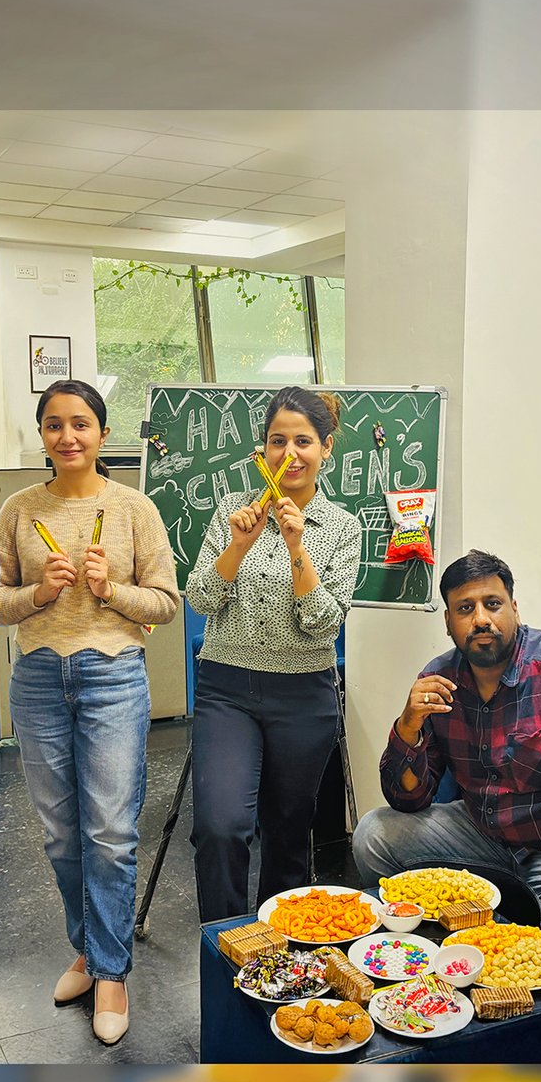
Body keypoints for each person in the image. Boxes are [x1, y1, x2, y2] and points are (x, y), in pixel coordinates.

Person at [0, 380, 178, 1045]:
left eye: (80, 424)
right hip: (39, 676)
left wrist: (112, 590)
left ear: (102, 434)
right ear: (41, 435)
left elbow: (165, 603)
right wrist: (38, 594)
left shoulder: (134, 509)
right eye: (53, 424)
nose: (67, 436)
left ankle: (110, 973)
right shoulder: (19, 509)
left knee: (108, 832)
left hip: (112, 676)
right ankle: (89, 948)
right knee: (61, 835)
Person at [353, 550, 541, 986]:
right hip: (479, 833)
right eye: (464, 608)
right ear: (448, 622)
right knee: (373, 835)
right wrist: (408, 725)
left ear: (513, 607)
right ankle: (425, 945)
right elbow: (409, 798)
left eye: (492, 604)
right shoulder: (439, 679)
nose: (480, 619)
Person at [186, 386, 362, 923]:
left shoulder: (342, 526)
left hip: (303, 695)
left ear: (326, 449)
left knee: (288, 834)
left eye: (303, 441)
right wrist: (239, 545)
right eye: (276, 440)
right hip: (227, 689)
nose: (289, 453)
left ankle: (282, 953)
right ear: (261, 450)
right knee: (220, 826)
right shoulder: (230, 514)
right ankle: (224, 946)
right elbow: (198, 597)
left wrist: (295, 547)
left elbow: (324, 624)